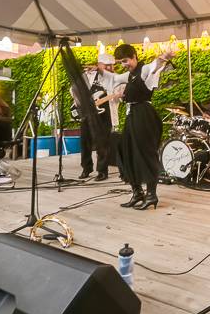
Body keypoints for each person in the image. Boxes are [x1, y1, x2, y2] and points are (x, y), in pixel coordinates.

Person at [107, 44, 174, 210]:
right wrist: (99, 70)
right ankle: (137, 193)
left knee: (146, 152)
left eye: (126, 60)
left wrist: (163, 58)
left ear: (134, 56)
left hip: (144, 115)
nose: (124, 64)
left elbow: (154, 66)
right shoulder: (129, 75)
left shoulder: (144, 70)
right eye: (121, 62)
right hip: (133, 116)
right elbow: (114, 79)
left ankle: (151, 195)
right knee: (125, 152)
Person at [72, 53, 119, 181]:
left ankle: (102, 171)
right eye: (107, 65)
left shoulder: (115, 78)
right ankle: (86, 168)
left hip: (105, 114)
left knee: (103, 144)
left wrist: (117, 94)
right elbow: (74, 89)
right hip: (88, 113)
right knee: (85, 142)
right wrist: (78, 103)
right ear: (99, 65)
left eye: (112, 66)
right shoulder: (88, 75)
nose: (110, 68)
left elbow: (118, 94)